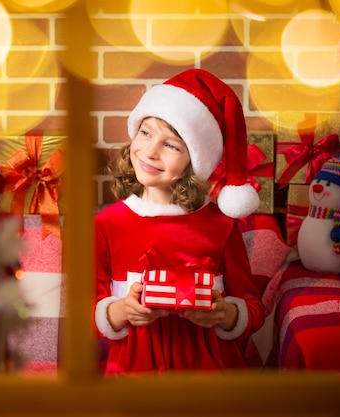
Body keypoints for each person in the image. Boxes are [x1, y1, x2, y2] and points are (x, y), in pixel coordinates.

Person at [93, 68, 265, 375]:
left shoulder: (220, 225)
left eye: (172, 145)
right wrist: (121, 310)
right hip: (133, 378)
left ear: (194, 162)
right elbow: (84, 311)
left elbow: (253, 308)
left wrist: (225, 314)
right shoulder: (107, 224)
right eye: (146, 133)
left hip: (211, 376)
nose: (150, 151)